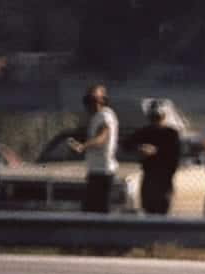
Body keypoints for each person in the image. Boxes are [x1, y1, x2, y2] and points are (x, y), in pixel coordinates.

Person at [68, 85, 119, 213]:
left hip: (103, 173)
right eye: (88, 101)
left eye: (95, 100)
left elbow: (102, 137)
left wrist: (83, 146)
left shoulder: (105, 116)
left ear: (103, 100)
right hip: (96, 172)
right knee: (91, 211)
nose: (91, 104)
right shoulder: (96, 117)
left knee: (97, 212)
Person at [124, 100, 180, 214]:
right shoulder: (145, 132)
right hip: (149, 176)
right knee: (147, 208)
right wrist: (139, 148)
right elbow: (126, 144)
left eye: (158, 117)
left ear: (164, 116)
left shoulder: (171, 133)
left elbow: (174, 154)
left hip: (164, 178)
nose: (156, 120)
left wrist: (156, 152)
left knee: (162, 209)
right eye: (153, 117)